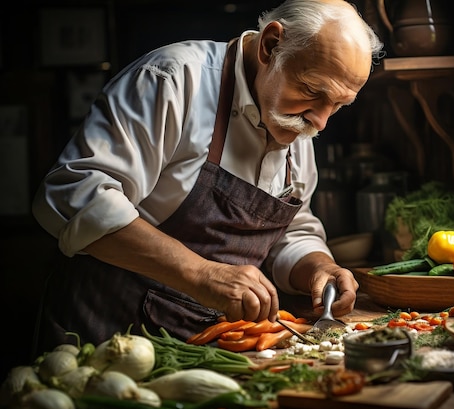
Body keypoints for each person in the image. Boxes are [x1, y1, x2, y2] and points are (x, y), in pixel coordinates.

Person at [31, 0, 384, 353]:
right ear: (271, 45)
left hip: (208, 352)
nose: (321, 122)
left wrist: (317, 268)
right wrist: (201, 274)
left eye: (337, 105)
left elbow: (289, 233)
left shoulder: (296, 118)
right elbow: (74, 195)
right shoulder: (174, 79)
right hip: (107, 336)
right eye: (312, 91)